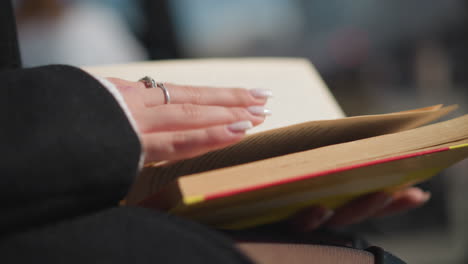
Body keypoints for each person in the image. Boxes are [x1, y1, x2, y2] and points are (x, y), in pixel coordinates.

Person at [1, 0, 429, 263]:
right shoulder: (85, 28)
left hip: (61, 184)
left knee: (336, 242)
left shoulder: (84, 23)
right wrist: (85, 114)